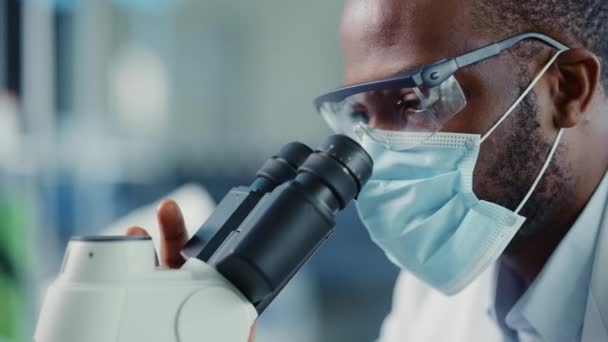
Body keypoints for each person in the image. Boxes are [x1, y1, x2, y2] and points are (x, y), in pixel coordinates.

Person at [127, 0, 608, 341]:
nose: (376, 155)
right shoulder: (436, 295)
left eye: (415, 100)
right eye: (360, 116)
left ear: (565, 89)